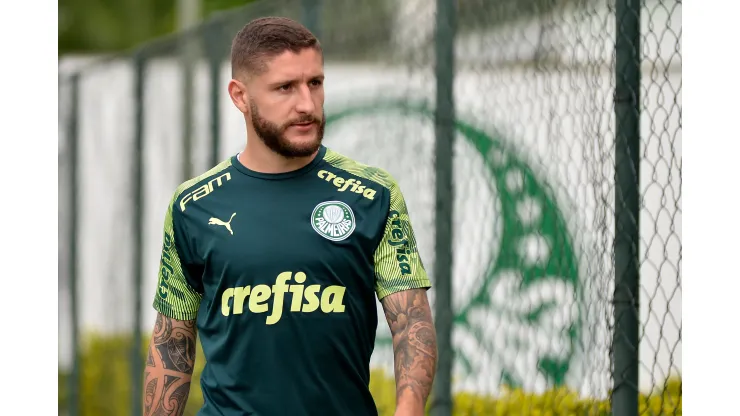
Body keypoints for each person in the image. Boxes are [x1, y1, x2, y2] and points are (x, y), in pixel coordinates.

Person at [143, 16, 437, 416]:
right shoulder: (192, 206)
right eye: (285, 88)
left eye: (315, 83)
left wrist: (410, 406)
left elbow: (411, 321)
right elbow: (172, 343)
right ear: (240, 96)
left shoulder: (374, 194)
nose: (307, 104)